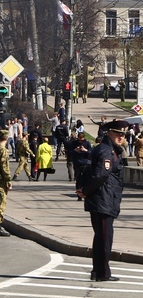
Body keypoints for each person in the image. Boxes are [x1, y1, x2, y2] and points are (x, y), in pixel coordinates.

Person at [77, 119, 127, 282]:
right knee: (105, 238)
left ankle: (97, 271)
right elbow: (100, 175)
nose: (122, 137)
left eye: (124, 134)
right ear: (110, 133)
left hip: (101, 199)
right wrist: (85, 190)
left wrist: (84, 190)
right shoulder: (107, 151)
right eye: (119, 134)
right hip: (103, 199)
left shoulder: (106, 149)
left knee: (100, 237)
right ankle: (103, 273)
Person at [68, 132, 92, 200]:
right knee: (78, 179)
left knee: (85, 179)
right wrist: (75, 150)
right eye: (79, 140)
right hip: (77, 163)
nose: (80, 141)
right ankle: (79, 195)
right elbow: (70, 153)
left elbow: (91, 153)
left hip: (85, 163)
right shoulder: (74, 143)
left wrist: (85, 150)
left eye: (82, 140)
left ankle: (85, 193)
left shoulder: (87, 143)